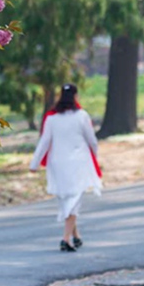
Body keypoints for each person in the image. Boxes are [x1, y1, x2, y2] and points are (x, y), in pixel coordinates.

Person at [29, 83, 102, 252]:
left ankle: (76, 236)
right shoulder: (82, 116)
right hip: (78, 161)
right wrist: (95, 156)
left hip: (58, 163)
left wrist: (34, 163)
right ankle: (66, 238)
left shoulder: (51, 119)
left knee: (66, 199)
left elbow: (44, 142)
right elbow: (92, 140)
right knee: (74, 198)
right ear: (76, 97)